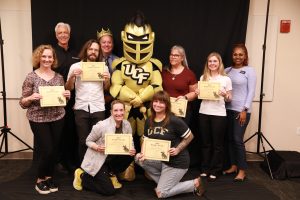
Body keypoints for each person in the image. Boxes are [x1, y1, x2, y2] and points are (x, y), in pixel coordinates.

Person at [19, 45, 71, 194]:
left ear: (53, 59)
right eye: (44, 56)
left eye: (50, 57)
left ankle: (49, 176)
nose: (47, 59)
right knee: (47, 149)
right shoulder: (31, 76)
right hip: (38, 117)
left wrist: (67, 96)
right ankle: (40, 179)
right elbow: (22, 102)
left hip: (57, 117)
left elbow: (63, 102)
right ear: (38, 58)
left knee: (54, 150)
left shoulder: (59, 77)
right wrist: (30, 97)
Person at [135, 91, 205, 198]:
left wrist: (178, 149)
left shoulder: (174, 120)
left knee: (162, 193)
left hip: (177, 162)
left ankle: (194, 183)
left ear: (167, 105)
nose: (157, 105)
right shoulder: (149, 120)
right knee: (138, 158)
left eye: (161, 102)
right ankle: (165, 183)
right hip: (162, 160)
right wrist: (143, 153)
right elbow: (146, 139)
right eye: (156, 101)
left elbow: (190, 136)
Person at [72, 100, 136, 195]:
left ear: (125, 111)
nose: (119, 113)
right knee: (109, 191)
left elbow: (130, 141)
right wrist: (97, 147)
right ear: (111, 112)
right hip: (100, 159)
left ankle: (110, 173)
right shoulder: (102, 125)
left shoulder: (127, 124)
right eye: (116, 110)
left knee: (130, 155)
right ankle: (81, 176)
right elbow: (88, 141)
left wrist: (132, 149)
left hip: (112, 158)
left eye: (121, 110)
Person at [65, 39, 110, 163]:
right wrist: (73, 76)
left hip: (98, 107)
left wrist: (107, 80)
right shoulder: (75, 66)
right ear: (86, 50)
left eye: (96, 50)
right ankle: (83, 171)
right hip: (81, 108)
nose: (93, 52)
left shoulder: (103, 67)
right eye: (91, 49)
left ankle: (97, 170)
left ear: (99, 52)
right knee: (83, 141)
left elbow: (107, 88)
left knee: (98, 140)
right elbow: (68, 88)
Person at [195, 52, 232, 181]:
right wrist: (197, 92)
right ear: (207, 63)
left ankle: (215, 170)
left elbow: (229, 99)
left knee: (217, 145)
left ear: (219, 63)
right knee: (205, 143)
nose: (212, 63)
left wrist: (225, 95)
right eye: (210, 61)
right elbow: (200, 96)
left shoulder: (225, 79)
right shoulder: (203, 77)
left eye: (215, 61)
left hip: (219, 114)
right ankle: (205, 169)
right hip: (204, 112)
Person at [223, 44, 256, 181]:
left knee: (237, 139)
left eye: (240, 54)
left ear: (245, 56)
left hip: (241, 111)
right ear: (232, 56)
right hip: (227, 109)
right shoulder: (227, 70)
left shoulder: (249, 71)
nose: (238, 57)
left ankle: (242, 170)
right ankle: (233, 165)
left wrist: (245, 109)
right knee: (230, 139)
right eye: (235, 54)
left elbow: (251, 92)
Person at [54, 22, 80, 172]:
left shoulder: (76, 54)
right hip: (56, 98)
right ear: (56, 35)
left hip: (73, 98)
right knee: (58, 130)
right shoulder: (51, 53)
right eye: (60, 33)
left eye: (66, 33)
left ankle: (70, 161)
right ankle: (57, 160)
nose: (63, 35)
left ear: (69, 35)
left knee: (71, 130)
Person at [162, 45, 198, 125]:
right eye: (171, 55)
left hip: (181, 112)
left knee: (179, 136)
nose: (173, 57)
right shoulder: (164, 72)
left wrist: (184, 97)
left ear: (182, 58)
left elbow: (194, 93)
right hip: (165, 110)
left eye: (176, 55)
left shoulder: (189, 74)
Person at [96, 28, 118, 118]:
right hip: (96, 100)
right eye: (103, 42)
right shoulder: (94, 60)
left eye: (109, 42)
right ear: (99, 44)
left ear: (112, 44)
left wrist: (111, 97)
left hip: (113, 99)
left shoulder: (118, 61)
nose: (107, 45)